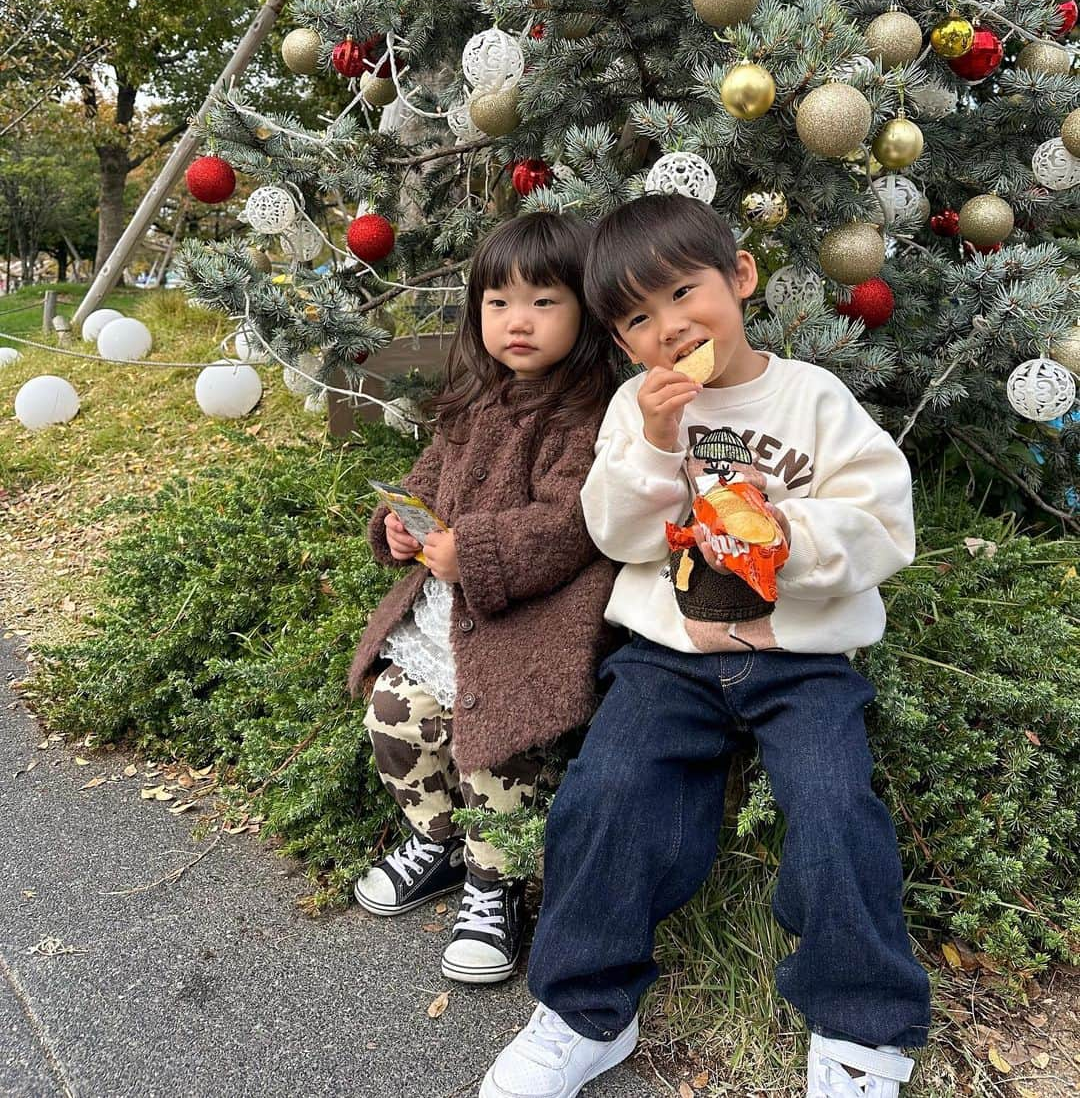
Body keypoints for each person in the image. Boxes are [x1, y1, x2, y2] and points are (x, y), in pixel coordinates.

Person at [481, 192, 930, 1097]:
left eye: (685, 293)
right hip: (666, 656)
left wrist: (783, 536)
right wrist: (650, 446)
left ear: (741, 278)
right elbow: (617, 536)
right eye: (637, 319)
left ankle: (861, 1030)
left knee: (835, 805)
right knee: (606, 795)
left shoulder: (813, 397)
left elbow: (885, 522)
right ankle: (584, 1008)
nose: (670, 328)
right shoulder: (634, 408)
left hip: (801, 657)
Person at [348, 210, 619, 986]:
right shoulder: (475, 399)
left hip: (525, 623)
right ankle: (437, 837)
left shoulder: (590, 414)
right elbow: (432, 473)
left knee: (495, 747)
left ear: (586, 311)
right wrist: (398, 524)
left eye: (543, 301)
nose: (517, 321)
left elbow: (576, 521)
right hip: (448, 615)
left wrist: (482, 549)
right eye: (498, 303)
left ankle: (494, 885)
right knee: (394, 714)